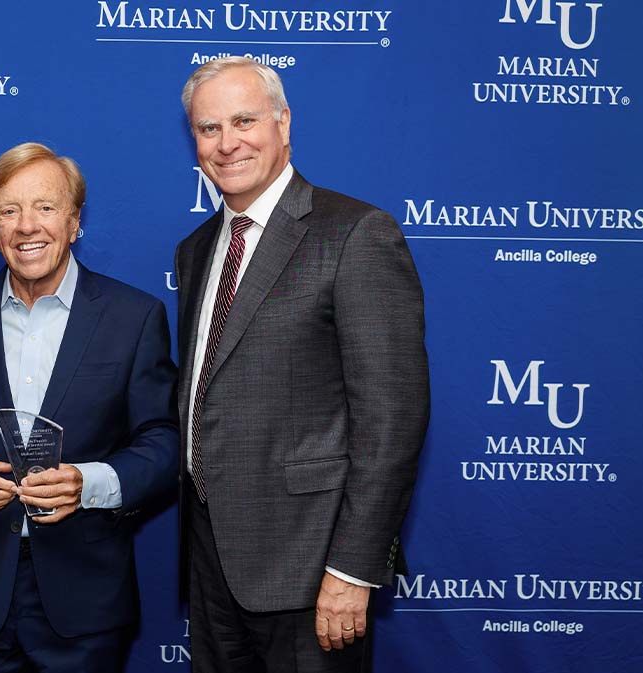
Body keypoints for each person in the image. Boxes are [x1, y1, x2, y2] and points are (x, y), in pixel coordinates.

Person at [174, 57, 430, 672]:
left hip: (311, 569)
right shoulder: (197, 249)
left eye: (244, 120)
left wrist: (352, 568)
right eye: (209, 128)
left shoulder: (356, 234)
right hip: (211, 560)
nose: (227, 142)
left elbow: (392, 419)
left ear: (283, 124)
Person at [0, 142, 179, 673]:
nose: (27, 226)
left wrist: (91, 482)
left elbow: (164, 442)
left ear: (75, 220)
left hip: (87, 599)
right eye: (8, 211)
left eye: (45, 207)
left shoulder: (134, 316)